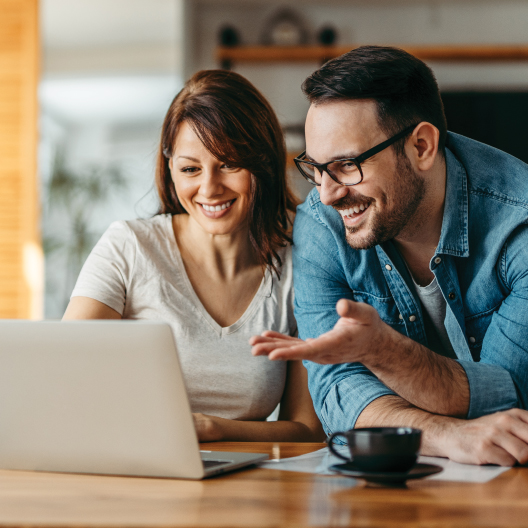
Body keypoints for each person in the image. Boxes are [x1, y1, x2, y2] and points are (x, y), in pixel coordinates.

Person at [251, 46, 528, 465]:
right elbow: (338, 391)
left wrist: (382, 351)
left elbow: (510, 400)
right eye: (316, 168)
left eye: (347, 165)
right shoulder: (320, 224)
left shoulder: (519, 227)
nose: (325, 194)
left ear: (421, 146)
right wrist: (444, 435)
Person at [64, 70, 323, 443]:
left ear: (262, 162)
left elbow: (307, 430)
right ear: (170, 169)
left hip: (249, 485)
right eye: (190, 169)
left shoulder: (304, 257)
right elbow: (64, 380)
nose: (209, 188)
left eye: (230, 164)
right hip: (136, 466)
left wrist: (214, 429)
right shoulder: (129, 247)